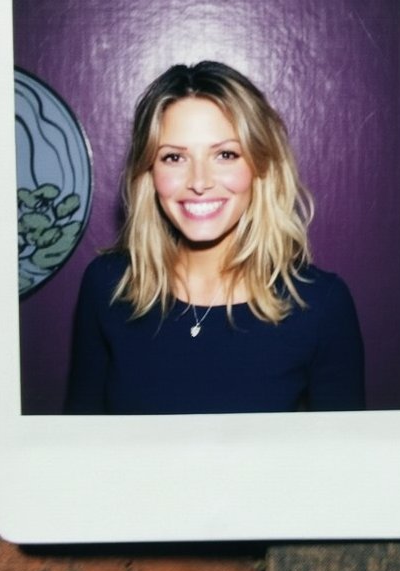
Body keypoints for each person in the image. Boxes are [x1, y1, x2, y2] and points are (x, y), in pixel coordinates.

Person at [66, 61, 366, 414]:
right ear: (149, 172)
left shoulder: (321, 305)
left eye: (225, 154)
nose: (199, 181)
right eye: (174, 157)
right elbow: (80, 456)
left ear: (261, 167)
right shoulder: (107, 286)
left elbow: (341, 465)